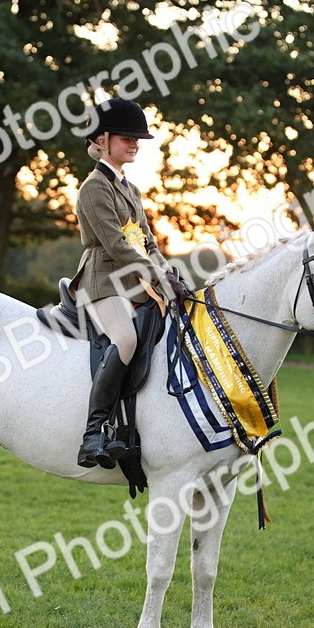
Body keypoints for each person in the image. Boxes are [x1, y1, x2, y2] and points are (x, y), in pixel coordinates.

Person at [69, 97, 193, 469]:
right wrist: (157, 278)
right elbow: (116, 244)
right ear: (103, 140)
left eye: (137, 138)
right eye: (127, 137)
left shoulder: (131, 190)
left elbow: (148, 243)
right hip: (103, 280)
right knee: (125, 338)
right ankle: (94, 433)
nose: (135, 143)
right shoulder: (94, 187)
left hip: (138, 281)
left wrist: (169, 274)